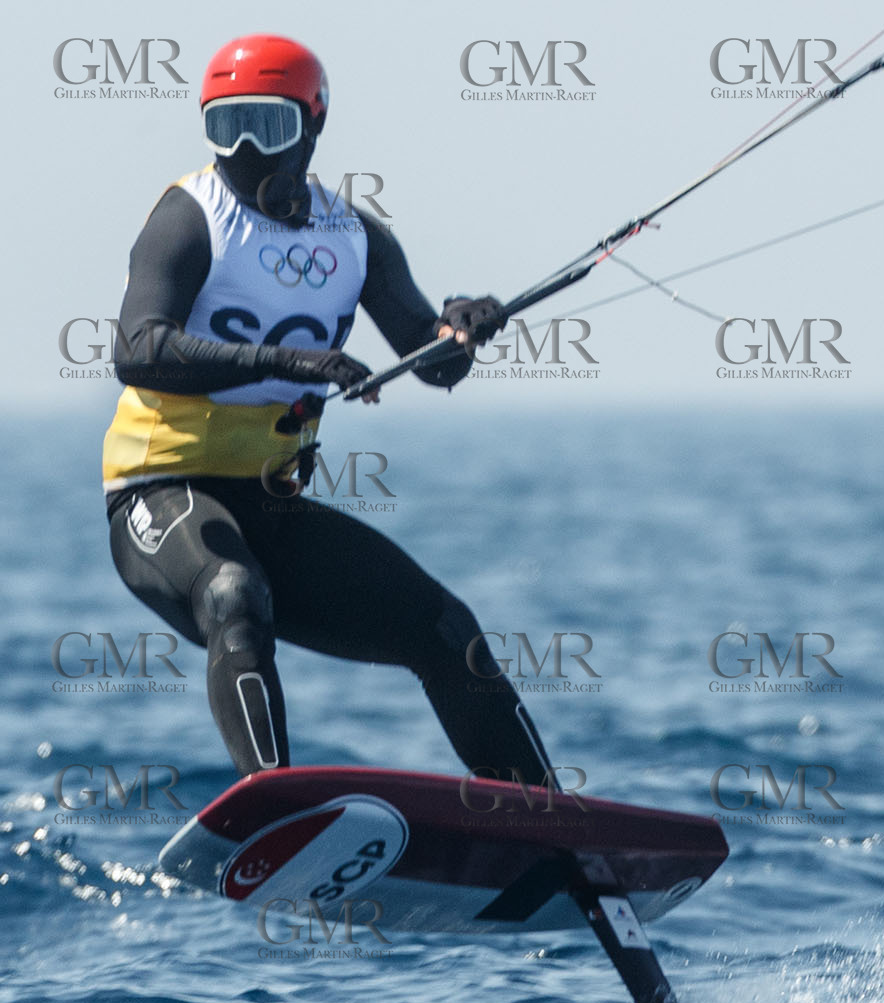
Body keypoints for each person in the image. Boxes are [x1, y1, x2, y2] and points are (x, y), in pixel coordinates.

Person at [102, 33, 553, 784]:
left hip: (271, 509)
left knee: (447, 630)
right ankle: (273, 802)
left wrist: (462, 325)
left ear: (312, 126)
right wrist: (283, 362)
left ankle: (548, 822)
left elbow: (428, 355)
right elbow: (137, 348)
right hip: (160, 494)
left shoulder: (355, 239)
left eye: (269, 126)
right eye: (226, 126)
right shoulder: (190, 217)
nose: (246, 150)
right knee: (232, 594)